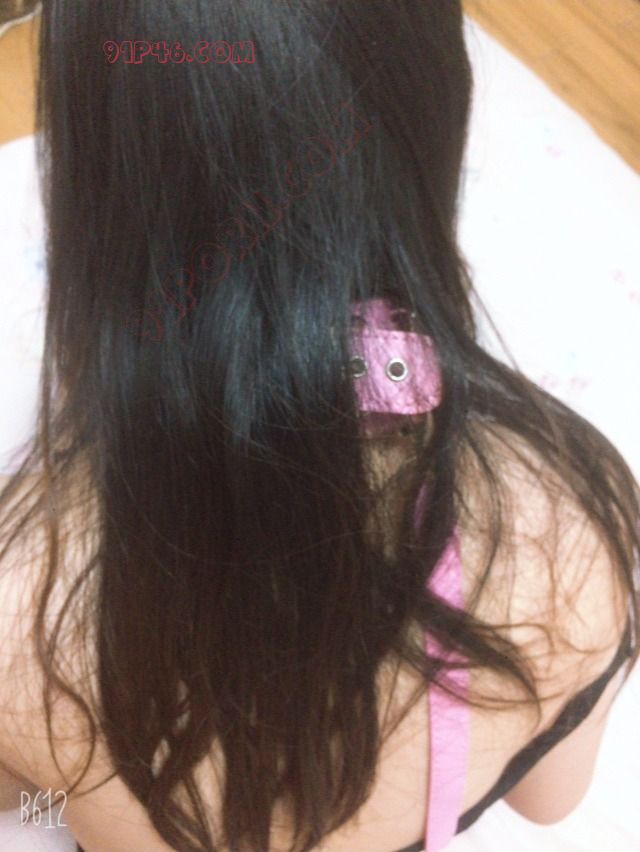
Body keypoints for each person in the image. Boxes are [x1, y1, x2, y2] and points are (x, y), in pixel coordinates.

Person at [0, 1, 638, 851]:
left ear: (93, 179)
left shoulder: (20, 607)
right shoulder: (576, 532)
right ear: (433, 117)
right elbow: (551, 804)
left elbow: (18, 800)